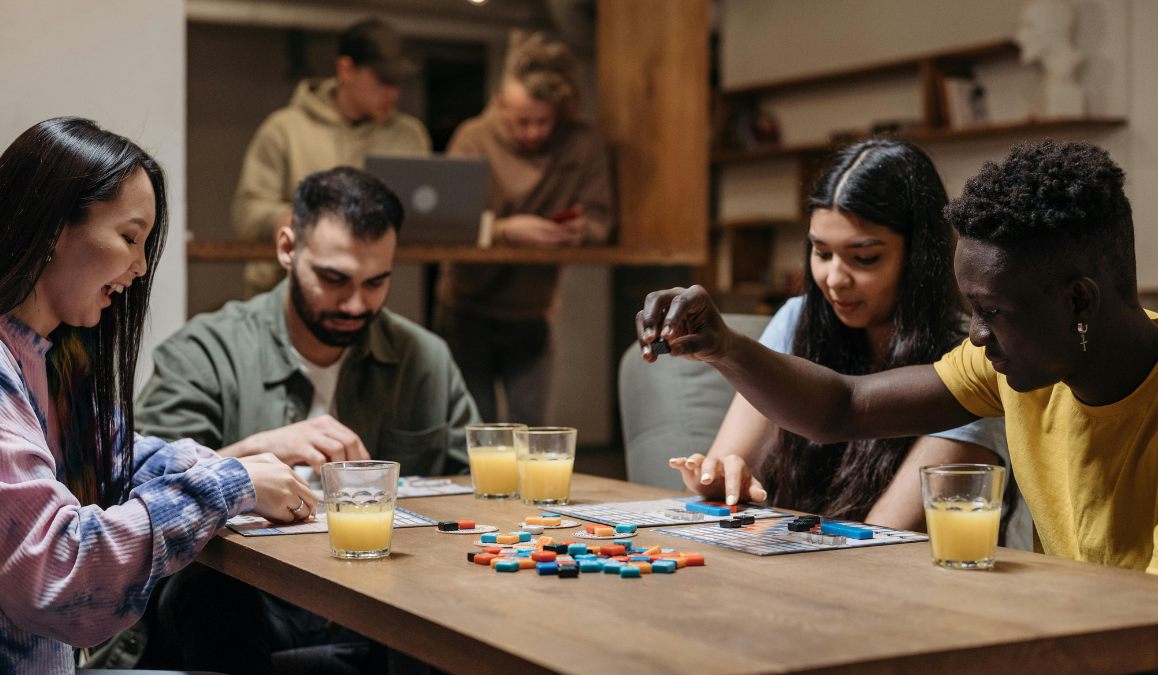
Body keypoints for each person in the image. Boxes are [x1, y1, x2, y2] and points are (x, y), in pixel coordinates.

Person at [638, 140, 1158, 573]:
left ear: (1079, 301)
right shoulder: (1005, 365)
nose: (975, 336)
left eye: (993, 311)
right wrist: (723, 345)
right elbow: (844, 407)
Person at [0, 117, 312, 675]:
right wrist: (228, 484)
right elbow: (58, 572)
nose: (141, 267)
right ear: (53, 228)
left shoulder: (51, 353)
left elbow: (119, 458)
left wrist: (237, 471)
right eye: (129, 238)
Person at [136, 166, 480, 674]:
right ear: (286, 249)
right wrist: (252, 456)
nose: (356, 303)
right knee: (206, 593)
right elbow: (132, 489)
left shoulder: (424, 359)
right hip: (250, 600)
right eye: (334, 278)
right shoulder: (205, 351)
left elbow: (473, 494)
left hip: (387, 602)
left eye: (377, 282)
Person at [668, 140, 1019, 541]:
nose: (835, 279)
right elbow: (723, 472)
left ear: (922, 254)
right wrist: (717, 484)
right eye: (821, 252)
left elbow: (886, 540)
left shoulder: (973, 357)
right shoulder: (797, 318)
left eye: (864, 258)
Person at [435, 32, 614, 426]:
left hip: (533, 310)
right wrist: (503, 231)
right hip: (466, 307)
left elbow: (603, 218)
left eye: (544, 121)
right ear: (500, 105)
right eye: (522, 122)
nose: (533, 132)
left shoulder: (583, 143)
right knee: (472, 434)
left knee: (533, 434)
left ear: (562, 111)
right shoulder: (473, 137)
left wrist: (581, 231)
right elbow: (446, 224)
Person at [234, 18, 430, 298]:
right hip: (287, 296)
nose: (393, 93)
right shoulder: (283, 129)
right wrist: (287, 218)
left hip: (372, 300)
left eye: (398, 82)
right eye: (383, 80)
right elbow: (247, 210)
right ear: (346, 70)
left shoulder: (410, 136)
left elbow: (426, 215)